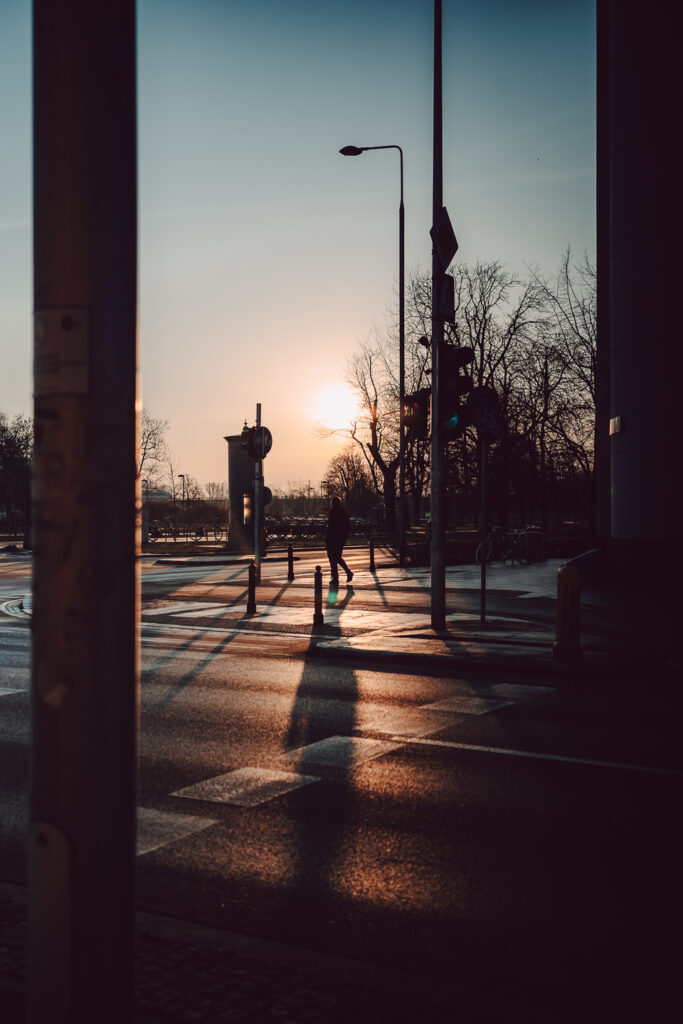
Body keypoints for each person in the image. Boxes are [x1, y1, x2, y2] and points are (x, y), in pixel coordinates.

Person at [325, 496, 353, 584]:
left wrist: (327, 538)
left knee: (333, 558)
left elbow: (330, 527)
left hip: (332, 538)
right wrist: (344, 537)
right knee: (337, 558)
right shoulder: (343, 512)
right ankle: (346, 573)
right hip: (339, 539)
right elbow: (347, 526)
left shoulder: (332, 512)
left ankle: (338, 577)